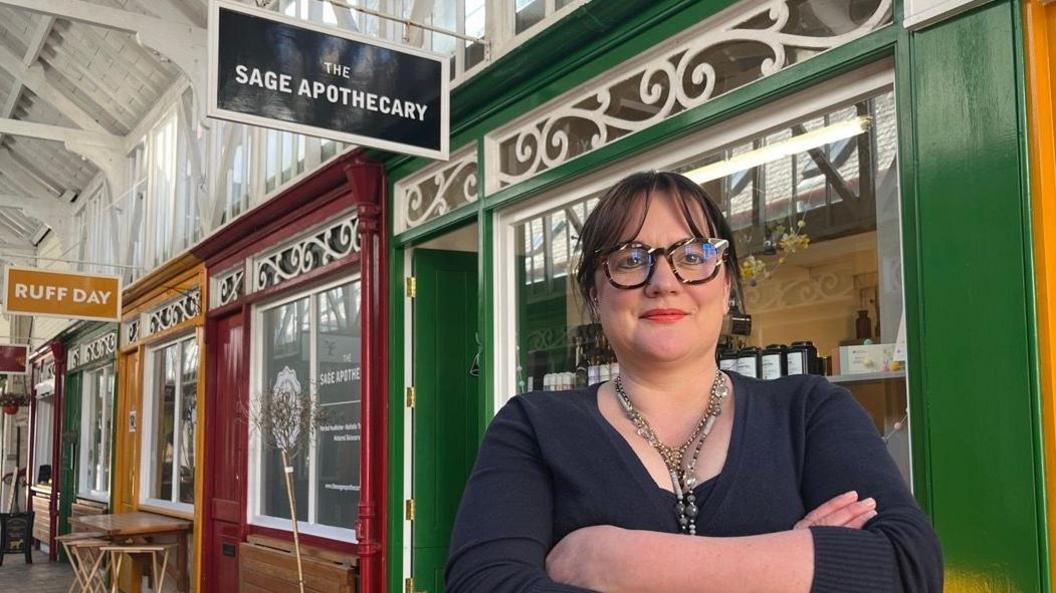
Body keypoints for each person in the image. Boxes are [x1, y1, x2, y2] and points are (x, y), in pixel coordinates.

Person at [445, 171, 943, 593]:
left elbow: (906, 565)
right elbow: (484, 583)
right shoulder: (533, 425)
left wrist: (611, 560)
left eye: (693, 254)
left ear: (726, 286)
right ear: (595, 297)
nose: (663, 281)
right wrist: (787, 561)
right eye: (630, 259)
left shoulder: (810, 410)